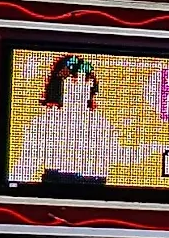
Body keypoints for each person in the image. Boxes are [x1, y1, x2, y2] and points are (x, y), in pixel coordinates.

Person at [12, 55, 125, 185]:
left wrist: (150, 149)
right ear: (60, 85)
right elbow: (27, 164)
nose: (83, 86)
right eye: (75, 81)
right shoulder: (45, 122)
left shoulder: (101, 124)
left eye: (87, 81)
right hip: (54, 192)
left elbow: (118, 154)